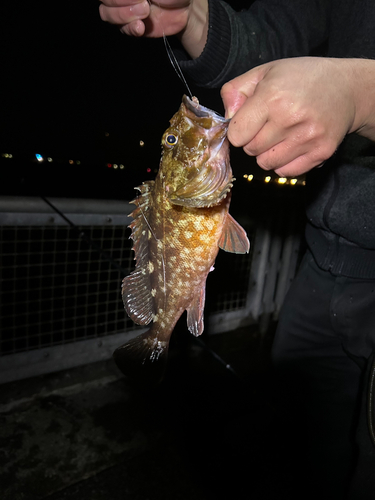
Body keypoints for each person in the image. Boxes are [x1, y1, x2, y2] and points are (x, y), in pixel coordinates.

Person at [99, 1, 375, 497]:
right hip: (318, 269)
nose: (180, 143)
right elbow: (275, 33)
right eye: (174, 147)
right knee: (305, 446)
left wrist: (363, 94)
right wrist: (193, 17)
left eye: (174, 144)